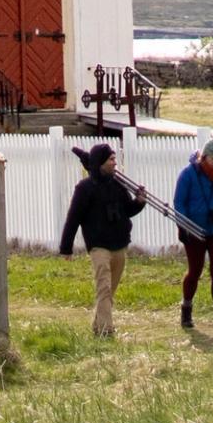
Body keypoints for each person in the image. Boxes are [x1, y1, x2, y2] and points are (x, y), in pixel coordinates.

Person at [56, 143, 136, 339]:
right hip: (98, 246)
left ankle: (97, 323)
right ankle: (106, 331)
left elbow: (129, 210)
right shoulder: (85, 189)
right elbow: (73, 218)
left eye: (115, 159)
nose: (115, 163)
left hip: (119, 244)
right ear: (101, 163)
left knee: (110, 290)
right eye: (111, 159)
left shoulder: (118, 184)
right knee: (104, 287)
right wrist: (66, 248)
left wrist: (140, 201)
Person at [172, 140, 213, 334]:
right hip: (194, 229)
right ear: (204, 157)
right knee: (195, 270)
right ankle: (186, 310)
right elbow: (179, 202)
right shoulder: (188, 174)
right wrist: (182, 226)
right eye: (212, 158)